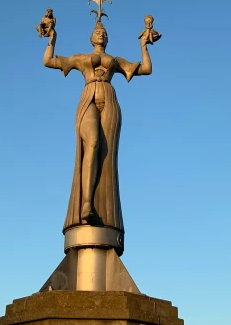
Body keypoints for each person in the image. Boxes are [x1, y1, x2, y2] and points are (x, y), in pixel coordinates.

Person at [42, 22, 153, 234]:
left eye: (104, 32)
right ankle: (85, 204)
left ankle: (102, 206)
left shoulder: (116, 61)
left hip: (110, 102)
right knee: (91, 143)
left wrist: (143, 45)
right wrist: (52, 39)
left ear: (107, 39)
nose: (100, 33)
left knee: (106, 154)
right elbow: (48, 61)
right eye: (97, 32)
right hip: (88, 99)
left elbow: (146, 69)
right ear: (91, 38)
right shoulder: (81, 58)